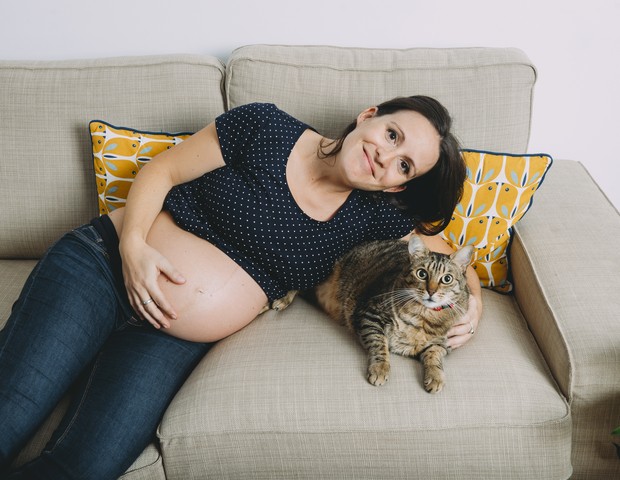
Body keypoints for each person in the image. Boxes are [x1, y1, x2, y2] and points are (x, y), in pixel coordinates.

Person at [0, 96, 482, 479]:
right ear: (368, 116)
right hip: (104, 266)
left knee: (85, 466)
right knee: (11, 413)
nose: (385, 156)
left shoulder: (373, 215)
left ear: (399, 187)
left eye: (404, 166)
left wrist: (473, 307)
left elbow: (452, 256)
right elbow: (162, 170)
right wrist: (133, 250)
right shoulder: (265, 126)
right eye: (391, 134)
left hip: (167, 334)